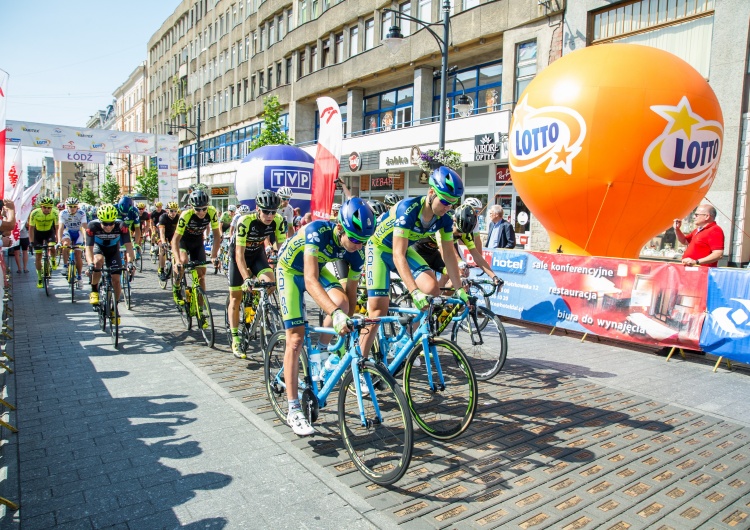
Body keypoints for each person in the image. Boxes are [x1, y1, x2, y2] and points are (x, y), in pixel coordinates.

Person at [276, 198, 375, 436]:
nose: (358, 246)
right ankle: (293, 409)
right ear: (340, 228)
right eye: (354, 239)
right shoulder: (316, 231)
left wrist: (345, 322)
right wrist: (336, 315)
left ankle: (320, 352)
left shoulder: (356, 252)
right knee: (296, 340)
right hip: (291, 272)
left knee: (341, 302)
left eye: (363, 242)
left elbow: (350, 297)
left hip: (316, 272)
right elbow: (309, 280)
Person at [360, 167, 469, 360]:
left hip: (403, 250)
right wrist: (414, 291)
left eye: (452, 203)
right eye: (444, 201)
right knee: (377, 310)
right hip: (379, 249)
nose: (447, 207)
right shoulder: (408, 209)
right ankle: (360, 362)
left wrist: (459, 288)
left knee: (432, 288)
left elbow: (449, 256)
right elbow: (397, 255)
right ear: (431, 193)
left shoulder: (444, 219)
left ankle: (405, 341)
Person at [228, 190, 287, 359]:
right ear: (257, 209)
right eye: (266, 211)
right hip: (238, 257)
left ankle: (255, 301)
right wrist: (246, 278)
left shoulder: (278, 221)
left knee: (271, 283)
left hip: (257, 255)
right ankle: (235, 338)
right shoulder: (245, 221)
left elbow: (282, 249)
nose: (269, 215)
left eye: (273, 211)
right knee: (235, 296)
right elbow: (239, 254)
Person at [413, 204, 502, 288]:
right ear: (454, 223)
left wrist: (494, 277)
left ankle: (438, 301)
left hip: (433, 252)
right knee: (430, 285)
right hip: (418, 251)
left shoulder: (464, 233)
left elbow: (477, 256)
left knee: (451, 277)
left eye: (463, 233)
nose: (460, 235)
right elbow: (446, 253)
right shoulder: (443, 225)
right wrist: (459, 270)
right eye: (459, 232)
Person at [171, 189, 220, 306]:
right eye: (198, 209)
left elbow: (217, 236)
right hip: (183, 241)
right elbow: (174, 240)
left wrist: (213, 255)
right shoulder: (186, 215)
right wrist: (177, 261)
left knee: (201, 275)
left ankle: (201, 310)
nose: (201, 212)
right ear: (192, 207)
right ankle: (177, 286)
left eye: (204, 208)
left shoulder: (212, 212)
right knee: (183, 262)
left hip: (197, 242)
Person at [85, 204, 136, 313]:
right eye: (105, 223)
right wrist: (90, 264)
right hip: (99, 248)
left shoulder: (122, 225)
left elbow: (129, 247)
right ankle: (94, 290)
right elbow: (88, 248)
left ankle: (115, 306)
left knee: (116, 280)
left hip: (113, 250)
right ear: (100, 221)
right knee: (98, 262)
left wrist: (130, 263)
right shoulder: (92, 226)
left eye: (111, 223)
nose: (108, 226)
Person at [57, 197, 88, 288]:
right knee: (66, 245)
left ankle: (79, 277)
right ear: (67, 206)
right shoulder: (63, 213)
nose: (72, 208)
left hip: (78, 233)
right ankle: (65, 266)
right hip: (68, 231)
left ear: (77, 207)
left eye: (74, 206)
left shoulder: (81, 213)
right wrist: (59, 241)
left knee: (78, 254)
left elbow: (84, 228)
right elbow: (61, 228)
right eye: (70, 206)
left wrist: (86, 242)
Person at [28, 196, 58, 288]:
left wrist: (58, 239)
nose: (47, 209)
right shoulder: (35, 213)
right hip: (38, 234)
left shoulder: (55, 212)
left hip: (49, 232)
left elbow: (57, 227)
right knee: (38, 256)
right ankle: (40, 278)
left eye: (49, 207)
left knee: (51, 247)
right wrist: (31, 242)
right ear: (41, 207)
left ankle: (53, 259)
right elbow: (31, 229)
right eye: (45, 207)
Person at [157, 202, 181, 280]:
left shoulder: (178, 217)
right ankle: (161, 270)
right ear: (167, 211)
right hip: (162, 234)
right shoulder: (163, 217)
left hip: (172, 235)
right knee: (162, 250)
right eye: (171, 211)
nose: (173, 213)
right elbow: (162, 232)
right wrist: (163, 242)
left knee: (177, 248)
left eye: (175, 211)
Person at [115, 196, 142, 262]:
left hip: (126, 230)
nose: (124, 215)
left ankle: (129, 266)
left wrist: (136, 243)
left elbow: (137, 229)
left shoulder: (134, 211)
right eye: (122, 213)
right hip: (115, 231)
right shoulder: (114, 209)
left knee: (129, 250)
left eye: (126, 213)